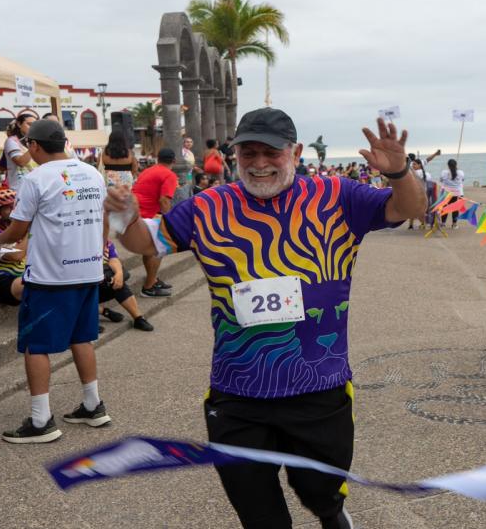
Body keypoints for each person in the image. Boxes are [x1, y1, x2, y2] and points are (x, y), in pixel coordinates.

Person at [109, 108, 426, 529]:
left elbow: (410, 208)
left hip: (319, 388)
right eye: (248, 153)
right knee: (258, 514)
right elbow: (144, 242)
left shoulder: (338, 197)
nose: (259, 163)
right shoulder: (208, 206)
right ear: (234, 155)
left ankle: (332, 513)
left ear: (295, 152)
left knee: (322, 493)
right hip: (238, 393)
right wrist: (126, 217)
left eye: (271, 152)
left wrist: (400, 172)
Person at [0, 120, 110, 443]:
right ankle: (93, 405)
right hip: (88, 269)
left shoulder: (36, 178)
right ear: (65, 141)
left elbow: (17, 229)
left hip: (51, 275)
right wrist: (101, 252)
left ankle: (41, 421)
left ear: (35, 146)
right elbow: (104, 218)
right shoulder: (92, 173)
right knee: (82, 337)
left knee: (35, 345)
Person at [131, 148, 178, 298]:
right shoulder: (169, 175)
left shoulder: (148, 170)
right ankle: (149, 287)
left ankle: (153, 279)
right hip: (146, 215)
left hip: (134, 213)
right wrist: (169, 220)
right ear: (174, 162)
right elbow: (164, 200)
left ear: (158, 159)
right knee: (159, 249)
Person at [96, 240, 154, 332]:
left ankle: (138, 318)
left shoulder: (105, 241)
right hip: (83, 287)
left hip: (100, 285)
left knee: (118, 283)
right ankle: (103, 312)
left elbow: (113, 259)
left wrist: (119, 274)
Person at [4, 113, 37, 191]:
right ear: (19, 124)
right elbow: (21, 162)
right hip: (19, 188)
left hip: (35, 186)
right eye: (29, 124)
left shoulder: (30, 141)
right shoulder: (12, 141)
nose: (32, 128)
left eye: (34, 125)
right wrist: (34, 144)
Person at [439, 159, 465, 228]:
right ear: (456, 165)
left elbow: (441, 180)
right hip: (458, 193)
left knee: (445, 208)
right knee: (455, 209)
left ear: (448, 165)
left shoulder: (444, 172)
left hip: (446, 194)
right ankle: (454, 224)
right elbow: (462, 180)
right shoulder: (460, 172)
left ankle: (443, 223)